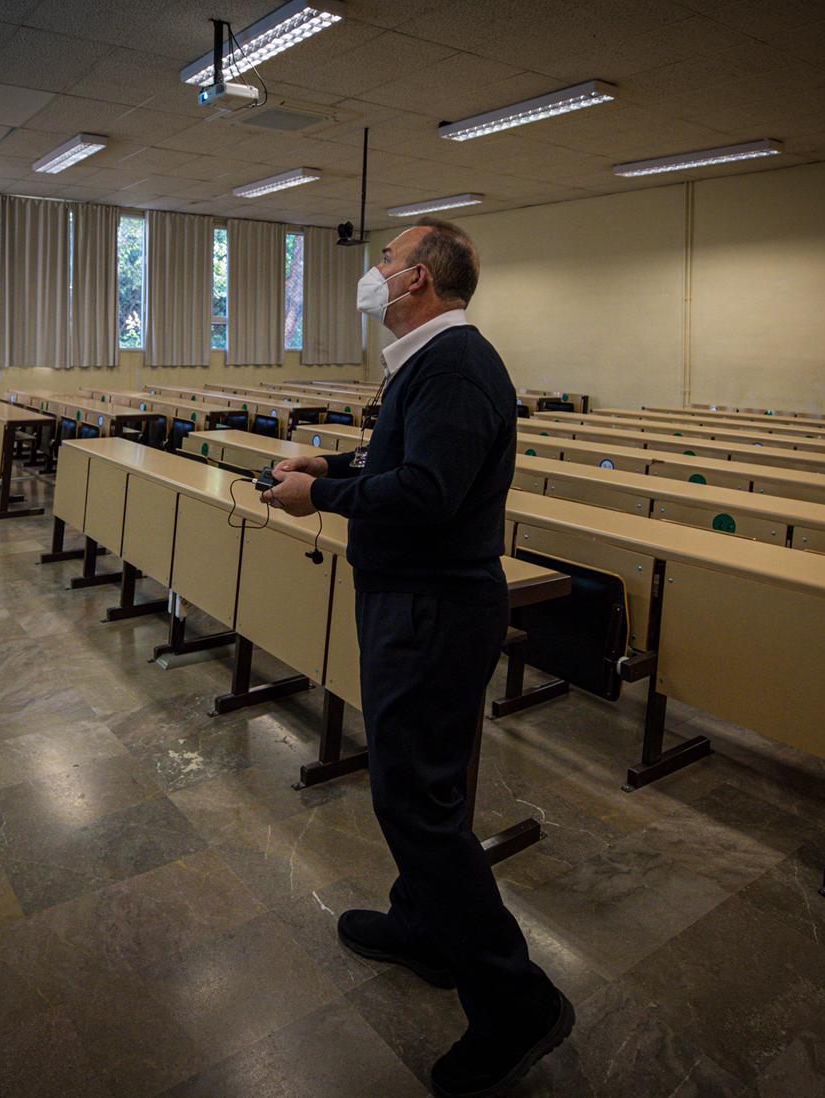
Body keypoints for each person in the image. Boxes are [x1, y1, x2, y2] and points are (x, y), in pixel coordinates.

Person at [261, 218, 572, 1097]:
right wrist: (335, 460)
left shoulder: (459, 365)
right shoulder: (428, 363)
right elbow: (407, 460)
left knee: (417, 804)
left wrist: (319, 494)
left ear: (419, 283)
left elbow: (431, 492)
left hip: (435, 608)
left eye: (388, 260)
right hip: (412, 600)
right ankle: (426, 927)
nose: (376, 271)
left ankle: (517, 1001)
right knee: (417, 788)